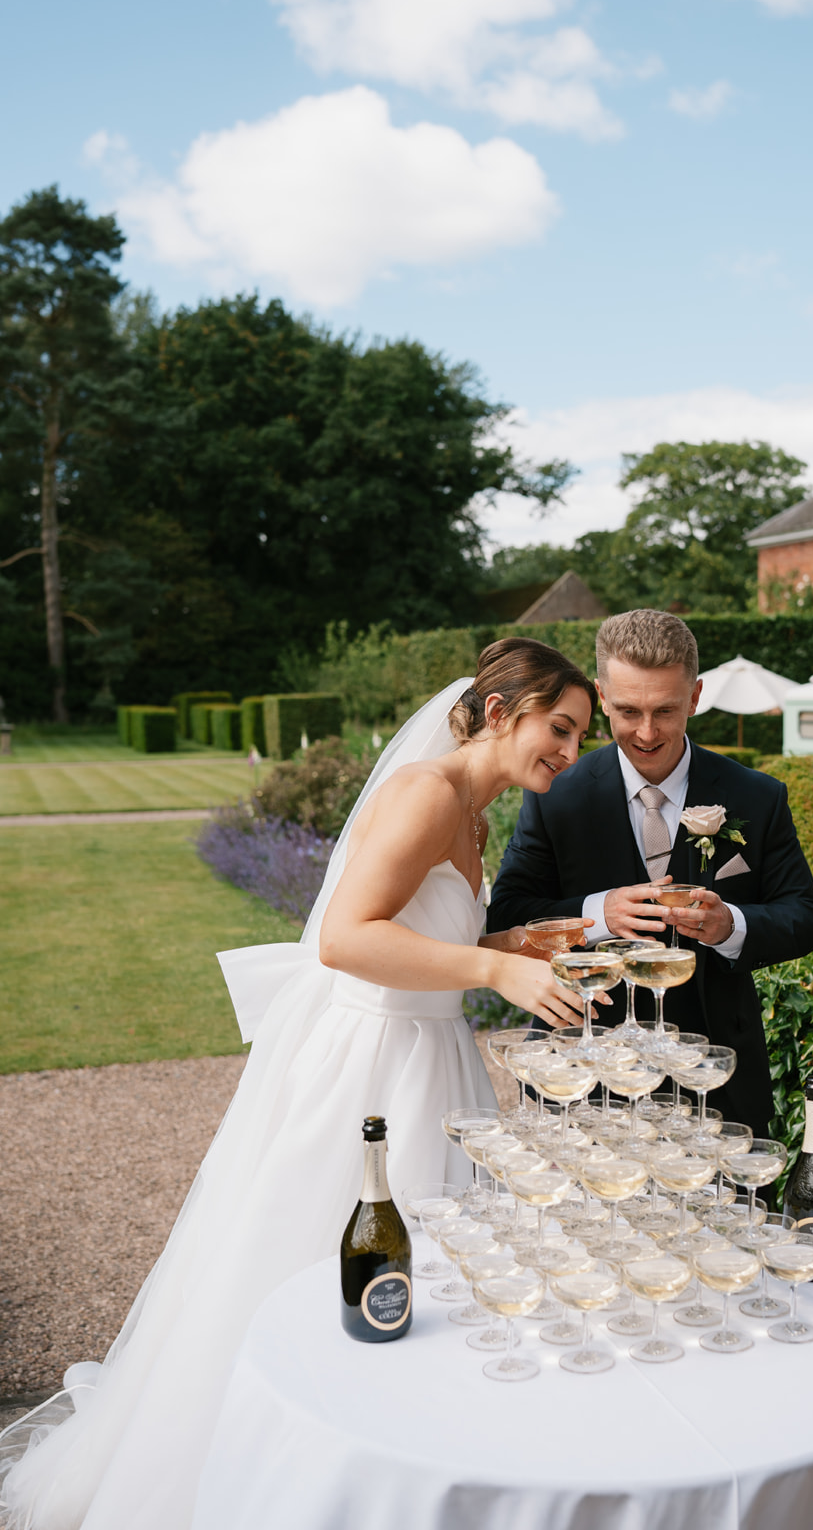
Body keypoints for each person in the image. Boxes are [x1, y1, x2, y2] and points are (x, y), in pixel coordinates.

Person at [0, 638, 595, 1530]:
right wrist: (490, 970)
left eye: (580, 736)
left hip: (431, 1064)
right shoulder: (426, 792)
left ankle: (389, 1482)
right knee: (316, 1275)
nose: (570, 752)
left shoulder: (474, 815)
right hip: (370, 1071)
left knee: (420, 1287)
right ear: (503, 710)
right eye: (562, 727)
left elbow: (420, 938)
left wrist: (518, 945)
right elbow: (346, 939)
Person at [488, 610, 813, 1136]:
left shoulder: (758, 796)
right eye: (627, 711)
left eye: (665, 710)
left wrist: (731, 925)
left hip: (714, 1078)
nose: (646, 732)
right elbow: (507, 914)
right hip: (583, 1073)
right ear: (601, 696)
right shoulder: (556, 794)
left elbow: (803, 917)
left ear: (695, 697)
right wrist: (598, 914)